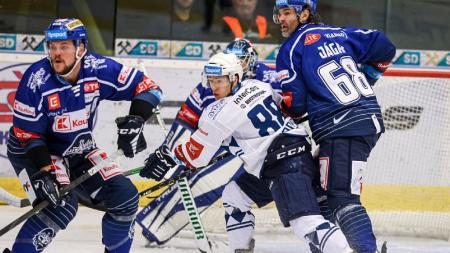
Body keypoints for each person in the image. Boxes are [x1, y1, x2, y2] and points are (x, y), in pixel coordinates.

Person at [139, 52, 352, 253]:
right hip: (291, 155)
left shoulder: (219, 113)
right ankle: (240, 249)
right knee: (234, 194)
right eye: (211, 81)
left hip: (283, 164)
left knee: (304, 223)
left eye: (219, 81)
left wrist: (168, 156)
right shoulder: (258, 85)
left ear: (234, 77)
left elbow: (197, 156)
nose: (214, 87)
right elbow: (284, 110)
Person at [4, 18, 162, 253]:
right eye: (52, 47)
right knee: (58, 206)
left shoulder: (98, 69)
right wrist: (45, 173)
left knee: (125, 197)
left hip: (77, 149)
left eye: (64, 47)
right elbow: (27, 134)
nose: (56, 54)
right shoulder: (36, 79)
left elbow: (149, 88)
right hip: (35, 152)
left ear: (81, 48)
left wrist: (136, 120)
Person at [273, 0, 396, 252]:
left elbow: (294, 104)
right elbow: (385, 46)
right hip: (360, 120)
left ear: (304, 14)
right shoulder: (341, 33)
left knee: (342, 197)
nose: (281, 19)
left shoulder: (291, 48)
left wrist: (281, 108)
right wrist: (370, 77)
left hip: (343, 126)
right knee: (319, 190)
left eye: (287, 13)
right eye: (279, 14)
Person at [136, 39, 280, 247]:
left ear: (251, 60)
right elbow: (187, 118)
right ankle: (156, 225)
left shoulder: (265, 77)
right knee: (190, 179)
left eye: (242, 60)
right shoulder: (213, 80)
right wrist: (169, 153)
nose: (238, 64)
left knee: (227, 189)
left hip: (252, 149)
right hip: (212, 141)